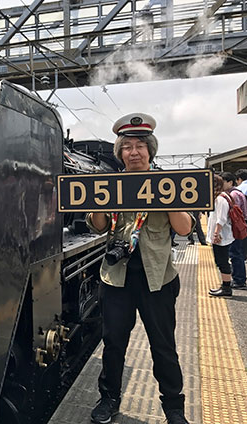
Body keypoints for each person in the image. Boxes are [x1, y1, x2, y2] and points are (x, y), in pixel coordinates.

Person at [86, 113, 193, 424]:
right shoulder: (109, 185)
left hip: (158, 279)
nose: (133, 152)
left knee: (164, 345)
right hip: (116, 279)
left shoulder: (167, 185)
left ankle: (174, 408)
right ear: (120, 153)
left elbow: (184, 228)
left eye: (140, 146)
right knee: (113, 344)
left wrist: (167, 198)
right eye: (127, 146)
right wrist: (100, 202)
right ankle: (109, 398)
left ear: (150, 150)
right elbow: (97, 226)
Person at [208, 174, 236, 296]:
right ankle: (225, 285)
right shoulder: (223, 197)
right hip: (222, 235)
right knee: (222, 261)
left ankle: (226, 288)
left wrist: (216, 234)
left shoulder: (220, 199)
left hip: (221, 236)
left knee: (222, 262)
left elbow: (221, 219)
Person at [220, 172, 247, 290]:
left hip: (235, 228)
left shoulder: (233, 195)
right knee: (238, 253)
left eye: (222, 182)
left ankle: (239, 280)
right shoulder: (238, 192)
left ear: (230, 182)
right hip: (240, 226)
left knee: (235, 253)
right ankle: (239, 278)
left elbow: (232, 214)